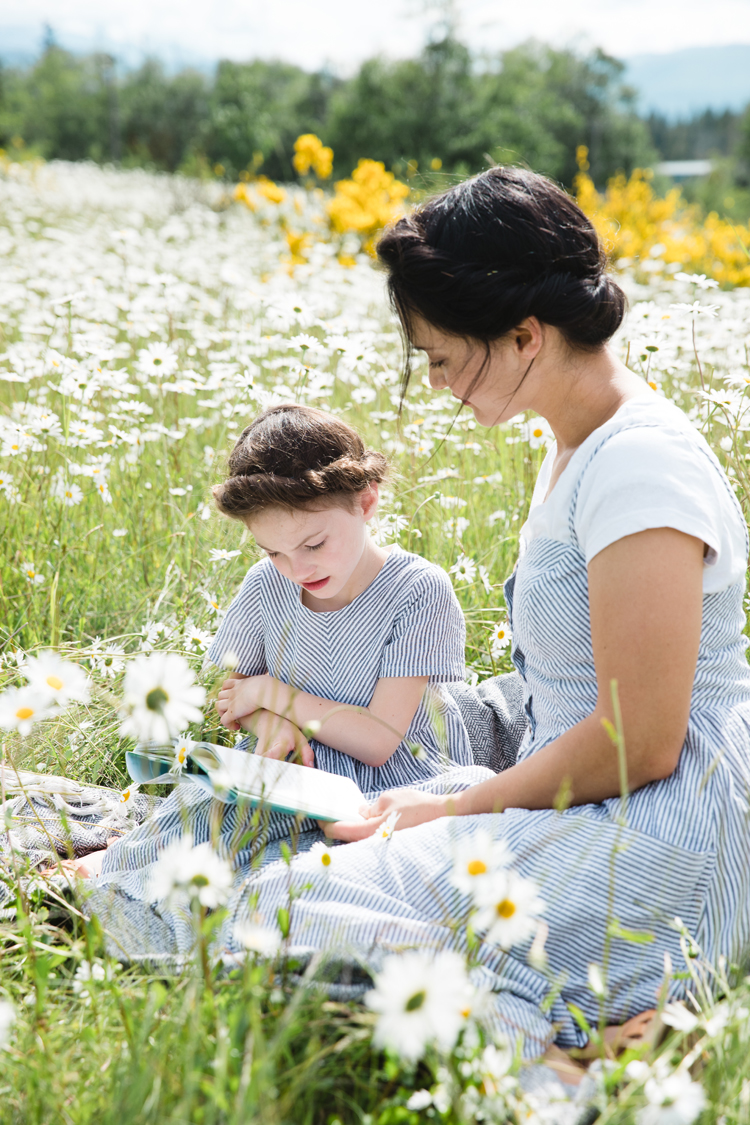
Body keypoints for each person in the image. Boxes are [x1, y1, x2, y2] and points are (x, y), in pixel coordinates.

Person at [92, 166, 750, 1062]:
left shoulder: (640, 469)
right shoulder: (578, 447)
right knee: (288, 848)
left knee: (279, 906)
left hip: (661, 826)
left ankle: (577, 1060)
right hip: (590, 787)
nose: (436, 383)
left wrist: (456, 808)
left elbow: (640, 742)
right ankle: (600, 1025)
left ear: (524, 335)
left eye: (442, 357)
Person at [208, 402, 478, 792]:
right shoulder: (266, 585)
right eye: (273, 552)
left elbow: (377, 741)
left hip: (402, 781)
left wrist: (274, 695)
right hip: (296, 770)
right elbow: (236, 699)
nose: (298, 571)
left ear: (366, 502)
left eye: (314, 545)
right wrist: (272, 724)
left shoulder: (417, 589)